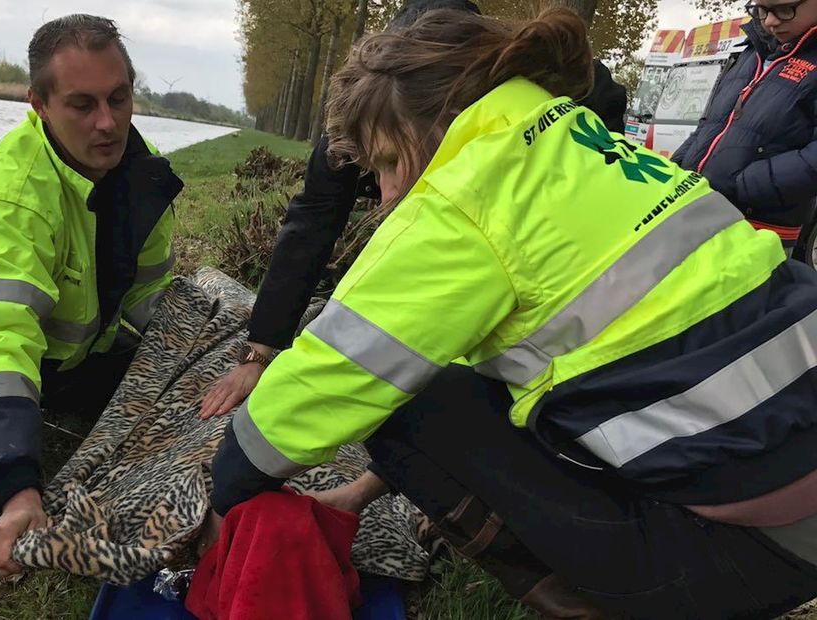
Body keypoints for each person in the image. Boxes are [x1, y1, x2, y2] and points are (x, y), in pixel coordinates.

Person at [202, 8, 817, 619]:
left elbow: (325, 380)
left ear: (434, 125)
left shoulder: (463, 200)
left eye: (388, 161)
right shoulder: (581, 143)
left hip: (745, 557)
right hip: (796, 492)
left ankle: (604, 606)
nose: (387, 194)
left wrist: (219, 501)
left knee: (408, 402)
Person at [200, 0, 628, 419]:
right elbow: (310, 226)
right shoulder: (360, 122)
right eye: (377, 163)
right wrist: (259, 351)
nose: (385, 198)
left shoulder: (551, 95)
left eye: (390, 161)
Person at [0, 14, 182, 577]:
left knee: (160, 426)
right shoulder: (8, 200)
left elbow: (151, 299)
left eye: (119, 99)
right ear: (38, 105)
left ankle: (51, 397)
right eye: (82, 104)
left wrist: (199, 359)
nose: (108, 123)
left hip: (69, 346)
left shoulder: (144, 176)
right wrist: (17, 485)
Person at [672, 0, 817, 255]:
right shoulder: (752, 52)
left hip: (757, 231)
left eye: (784, 9)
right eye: (761, 10)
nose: (770, 21)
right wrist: (677, 169)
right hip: (697, 211)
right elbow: (712, 123)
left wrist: (743, 183)